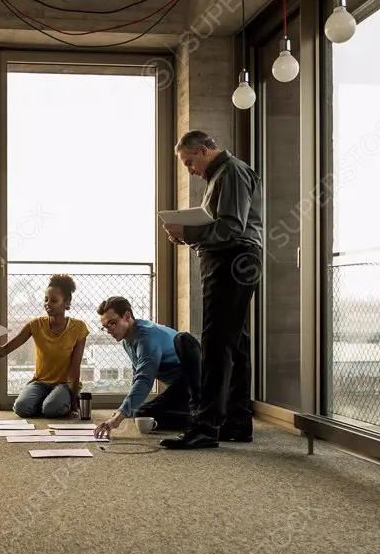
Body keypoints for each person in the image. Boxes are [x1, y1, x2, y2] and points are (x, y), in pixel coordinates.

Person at [160, 130, 263, 449]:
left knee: (217, 342)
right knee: (236, 342)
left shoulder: (230, 171)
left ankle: (206, 427)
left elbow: (231, 225)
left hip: (232, 259)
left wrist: (190, 233)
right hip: (237, 258)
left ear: (204, 150)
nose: (189, 170)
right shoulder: (225, 174)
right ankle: (236, 421)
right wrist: (189, 235)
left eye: (189, 162)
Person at [92, 296, 203, 440]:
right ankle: (198, 417)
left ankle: (204, 421)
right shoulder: (127, 340)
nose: (109, 331)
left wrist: (117, 419)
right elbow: (137, 375)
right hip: (179, 388)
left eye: (112, 323)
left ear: (126, 316)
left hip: (197, 384)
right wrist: (124, 411)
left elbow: (144, 380)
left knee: (141, 414)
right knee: (141, 414)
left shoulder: (146, 337)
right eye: (105, 327)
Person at [0, 274, 89, 419]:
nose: (48, 304)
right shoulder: (35, 325)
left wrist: (75, 405)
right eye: (46, 299)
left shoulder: (79, 327)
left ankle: (55, 403)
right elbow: (3, 351)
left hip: (65, 384)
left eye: (54, 300)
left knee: (51, 410)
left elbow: (76, 368)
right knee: (21, 408)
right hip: (40, 382)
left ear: (67, 303)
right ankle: (46, 403)